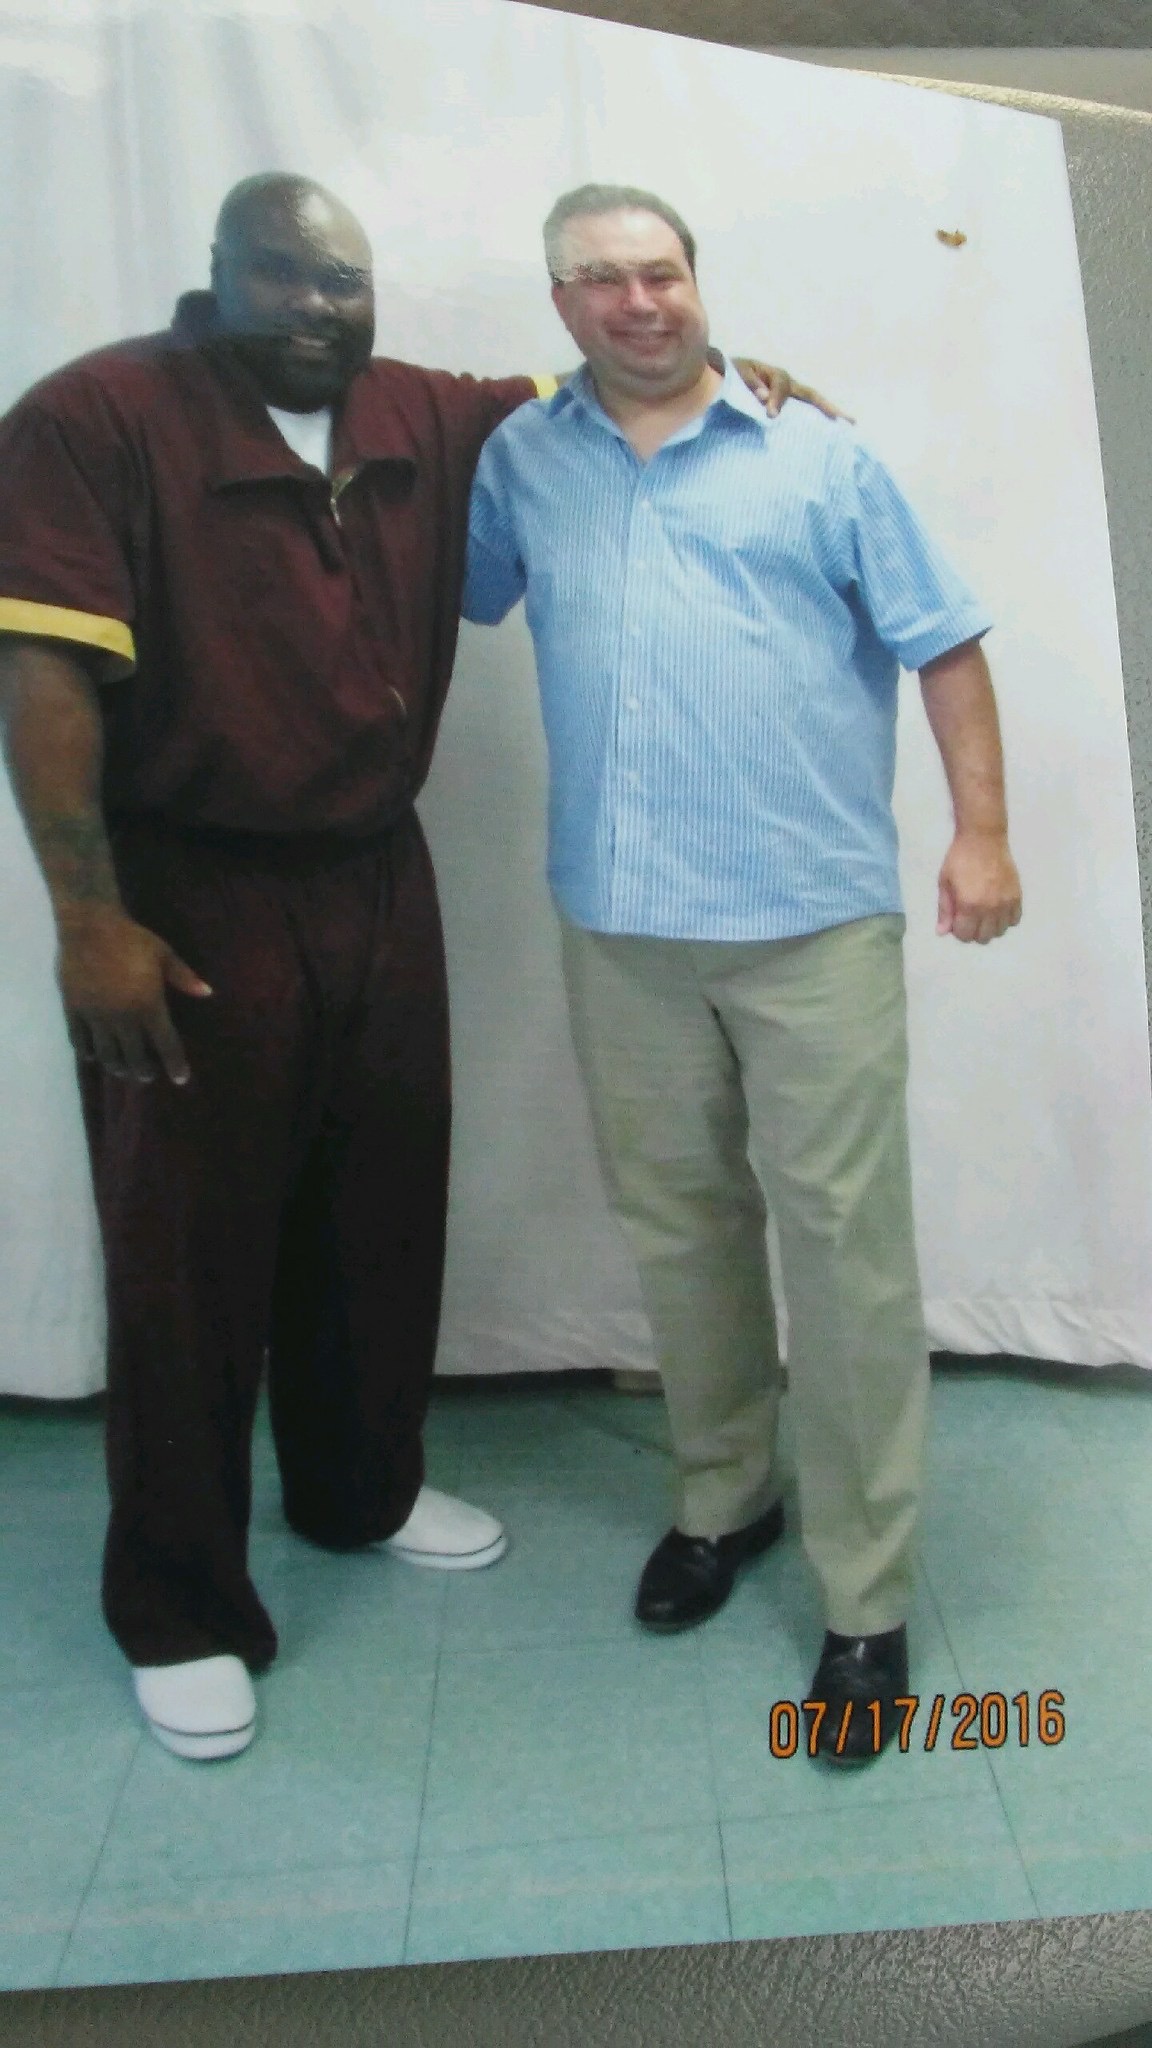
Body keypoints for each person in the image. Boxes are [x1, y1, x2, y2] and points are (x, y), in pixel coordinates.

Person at [0, 172, 822, 1762]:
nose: (319, 308)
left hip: (378, 872)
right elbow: (42, 675)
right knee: (187, 1261)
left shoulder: (422, 414)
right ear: (218, 275)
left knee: (374, 1212)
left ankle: (360, 1492)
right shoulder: (97, 419)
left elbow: (593, 390)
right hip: (191, 892)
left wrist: (751, 376)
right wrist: (86, 919)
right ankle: (177, 1606)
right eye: (284, 277)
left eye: (345, 282)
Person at [463, 182, 1023, 1765]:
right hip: (621, 929)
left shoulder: (819, 455)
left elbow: (946, 642)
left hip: (808, 927)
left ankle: (866, 1595)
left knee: (847, 1259)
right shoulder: (522, 462)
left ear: (699, 281)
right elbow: (455, 583)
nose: (637, 302)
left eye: (660, 272)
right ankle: (725, 1500)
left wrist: (984, 835)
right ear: (561, 306)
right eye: (600, 281)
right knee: (682, 1229)